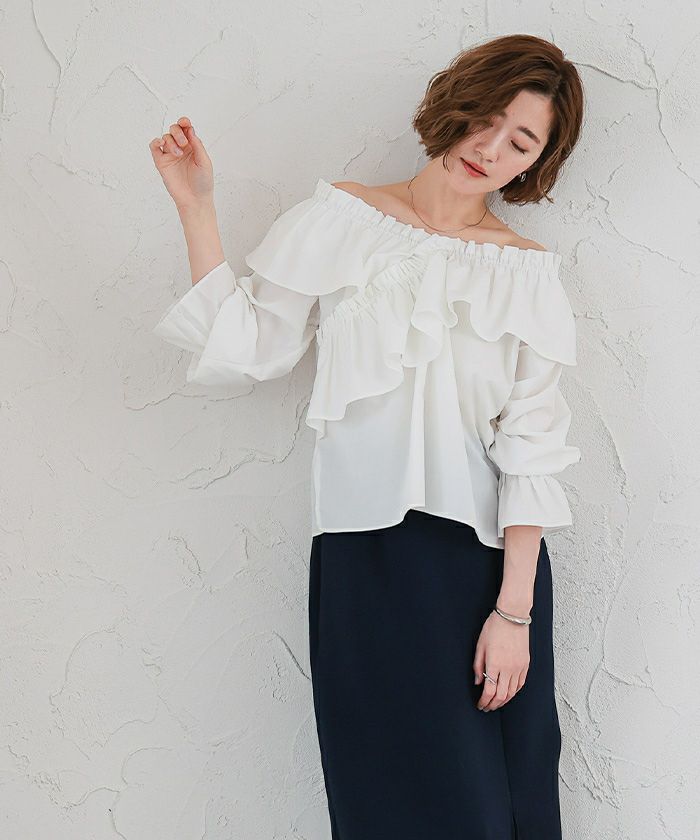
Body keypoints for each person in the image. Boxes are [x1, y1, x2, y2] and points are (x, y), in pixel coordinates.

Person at [149, 33, 585, 840]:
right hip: (363, 559)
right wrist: (197, 207)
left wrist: (514, 612)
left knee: (504, 805)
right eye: (486, 118)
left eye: (521, 141)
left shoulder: (526, 273)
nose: (491, 148)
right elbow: (249, 348)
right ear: (455, 102)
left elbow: (531, 446)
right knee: (388, 802)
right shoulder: (341, 218)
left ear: (537, 162)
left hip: (487, 571)